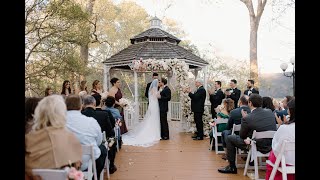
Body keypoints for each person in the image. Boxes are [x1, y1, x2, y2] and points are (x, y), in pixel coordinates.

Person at [218, 94, 277, 174]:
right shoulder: (269, 112)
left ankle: (232, 167)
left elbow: (242, 136)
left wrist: (245, 118)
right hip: (271, 145)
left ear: (250, 103)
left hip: (256, 145)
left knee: (229, 138)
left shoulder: (247, 117)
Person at [25, 95, 82, 174]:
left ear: (39, 113)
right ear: (62, 113)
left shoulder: (29, 140)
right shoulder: (70, 138)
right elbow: (76, 167)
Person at [65, 95, 108, 179]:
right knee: (102, 148)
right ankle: (96, 177)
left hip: (63, 162)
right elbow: (98, 141)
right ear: (81, 106)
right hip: (86, 162)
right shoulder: (91, 122)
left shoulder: (58, 122)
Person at [122, 79, 161, 147]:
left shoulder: (152, 88)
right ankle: (154, 133)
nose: (159, 83)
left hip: (152, 104)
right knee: (153, 118)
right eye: (158, 82)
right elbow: (156, 96)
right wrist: (159, 93)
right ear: (156, 83)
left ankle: (154, 133)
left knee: (152, 118)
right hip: (154, 105)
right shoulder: (154, 88)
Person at [266, 99, 295, 180]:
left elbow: (276, 147)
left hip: (286, 162)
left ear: (291, 111)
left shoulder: (284, 128)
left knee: (274, 153)